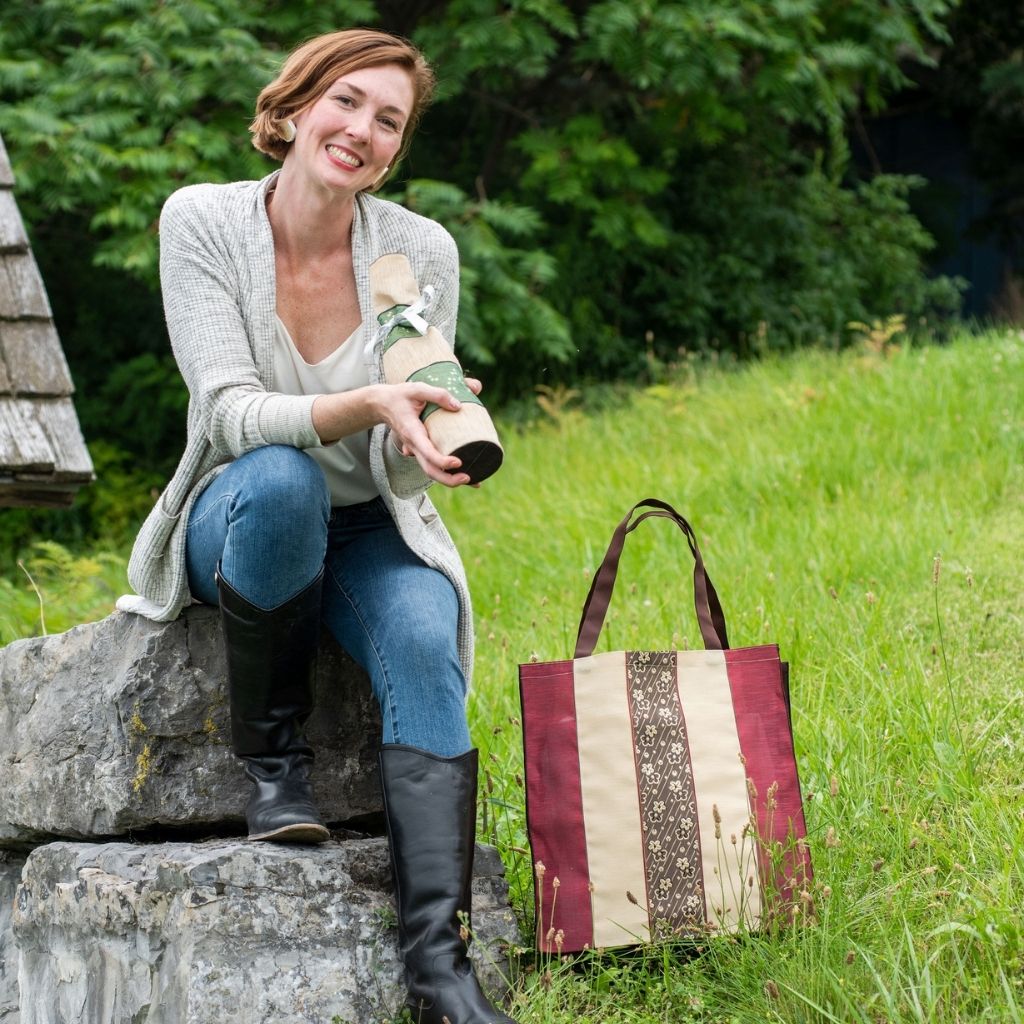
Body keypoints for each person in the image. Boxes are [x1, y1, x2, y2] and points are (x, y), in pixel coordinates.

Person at [116, 28, 518, 1024]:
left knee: (424, 631)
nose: (361, 130)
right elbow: (229, 413)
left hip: (370, 526)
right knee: (285, 480)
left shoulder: (419, 250)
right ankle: (275, 767)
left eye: (389, 121)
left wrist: (426, 431)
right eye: (346, 101)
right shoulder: (202, 221)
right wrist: (368, 402)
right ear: (294, 107)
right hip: (241, 509)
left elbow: (393, 458)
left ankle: (441, 972)